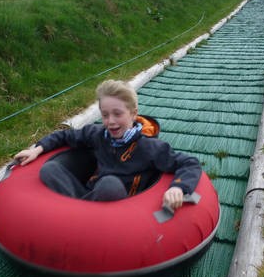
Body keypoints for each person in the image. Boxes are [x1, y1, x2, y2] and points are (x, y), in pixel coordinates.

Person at [14, 80, 202, 210]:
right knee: (50, 169)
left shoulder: (149, 147)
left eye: (117, 114)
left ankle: (74, 212)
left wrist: (178, 187)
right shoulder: (98, 134)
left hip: (120, 204)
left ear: (133, 113)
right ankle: (77, 211)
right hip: (90, 194)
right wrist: (37, 149)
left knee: (109, 185)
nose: (110, 121)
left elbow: (189, 163)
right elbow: (65, 136)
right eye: (105, 115)